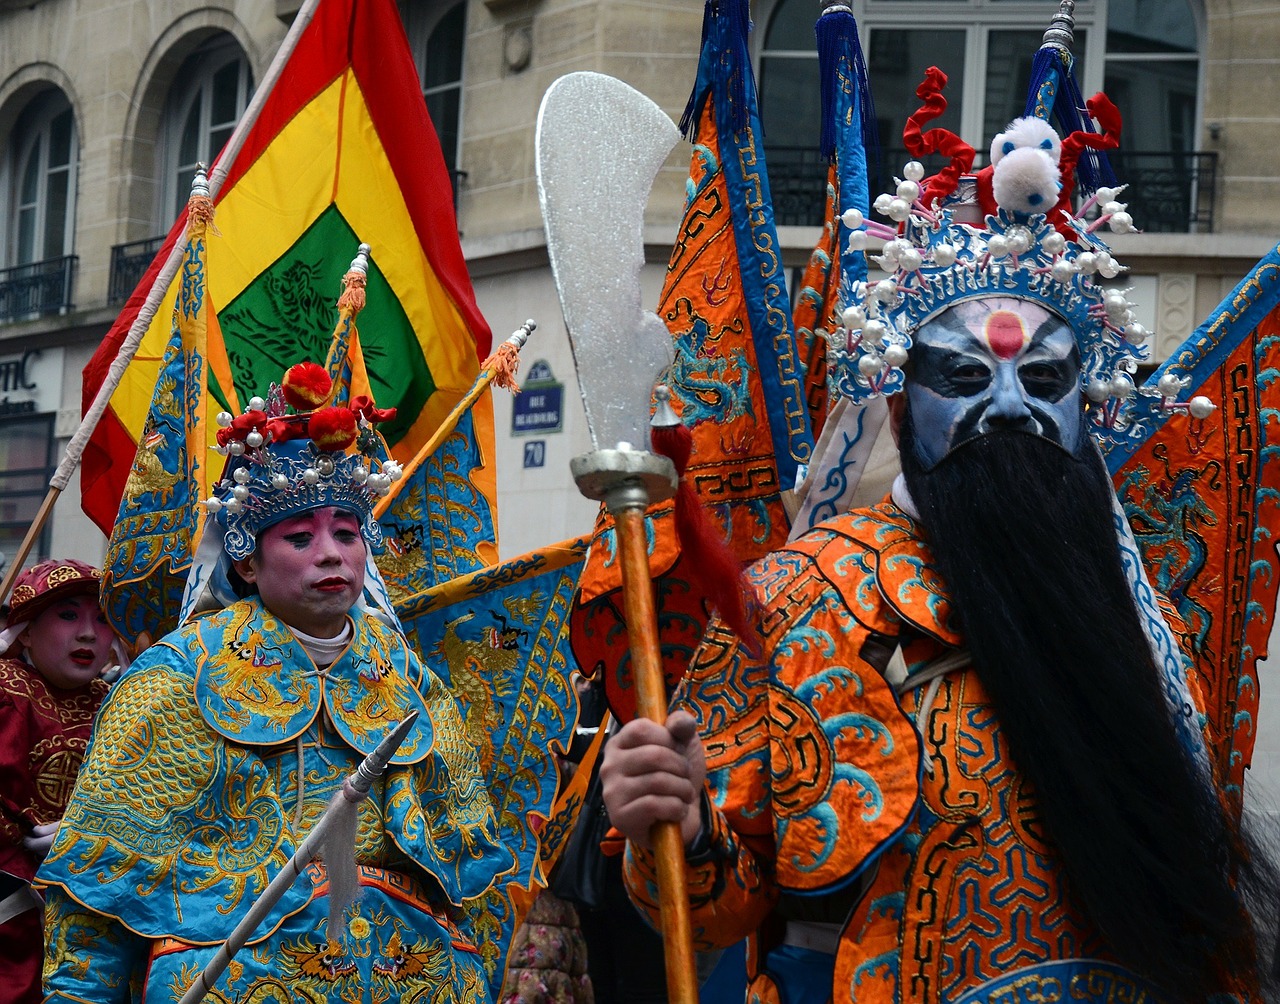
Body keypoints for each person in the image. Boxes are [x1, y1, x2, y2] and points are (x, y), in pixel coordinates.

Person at [599, 92, 1276, 1003]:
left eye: (1044, 378)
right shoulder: (796, 594)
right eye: (963, 374)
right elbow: (709, 909)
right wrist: (675, 821)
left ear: (1087, 404)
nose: (1009, 408)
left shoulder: (1141, 618)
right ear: (895, 403)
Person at [38, 364, 517, 1003]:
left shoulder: (415, 688)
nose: (331, 554)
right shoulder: (175, 681)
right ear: (245, 556)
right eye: (299, 536)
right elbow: (94, 905)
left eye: (347, 534)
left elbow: (471, 886)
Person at [0, 559, 115, 1004]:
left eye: (103, 619)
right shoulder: (7, 690)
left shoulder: (120, 701)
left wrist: (95, 833)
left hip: (94, 907)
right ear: (26, 631)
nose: (88, 633)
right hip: (14, 917)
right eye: (68, 615)